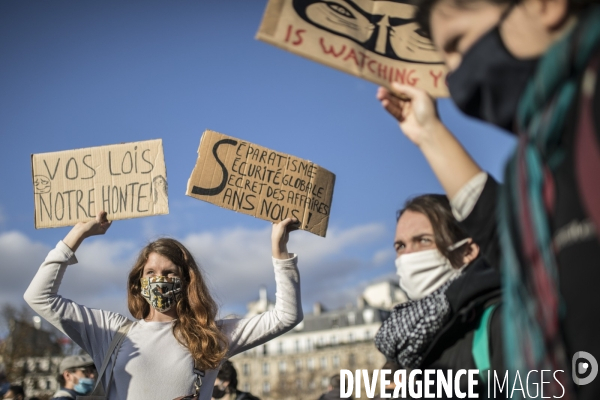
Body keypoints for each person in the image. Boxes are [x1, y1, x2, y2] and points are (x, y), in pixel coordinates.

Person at [379, 0, 600, 397]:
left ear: (545, 6)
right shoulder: (539, 156)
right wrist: (428, 132)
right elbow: (520, 244)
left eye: (459, 44)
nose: (453, 73)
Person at [24, 211, 303, 400]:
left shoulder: (210, 337)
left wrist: (279, 249)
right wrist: (78, 234)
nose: (160, 280)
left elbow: (286, 316)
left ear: (186, 281)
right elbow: (38, 296)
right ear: (138, 283)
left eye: (170, 273)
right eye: (151, 273)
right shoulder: (112, 333)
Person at [374, 194, 503, 397]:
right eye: (400, 246)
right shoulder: (407, 346)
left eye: (423, 241)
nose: (407, 255)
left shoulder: (499, 321)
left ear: (467, 251)